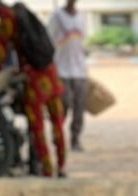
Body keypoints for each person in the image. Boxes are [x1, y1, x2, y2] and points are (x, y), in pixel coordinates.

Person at [0, 0, 66, 177]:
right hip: (51, 73)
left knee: (37, 127)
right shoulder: (21, 10)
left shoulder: (6, 17)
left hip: (34, 79)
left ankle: (48, 170)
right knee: (57, 122)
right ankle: (62, 166)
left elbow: (1, 51)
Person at [47, 0, 87, 152]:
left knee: (79, 108)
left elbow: (82, 42)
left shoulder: (81, 16)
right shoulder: (56, 16)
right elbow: (50, 40)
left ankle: (75, 139)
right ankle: (57, 135)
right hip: (61, 69)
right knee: (64, 104)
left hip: (80, 70)